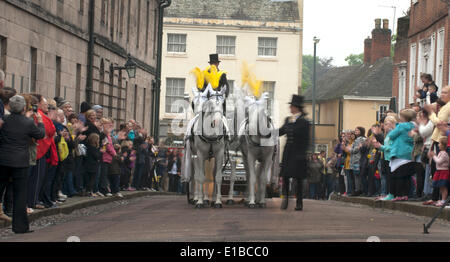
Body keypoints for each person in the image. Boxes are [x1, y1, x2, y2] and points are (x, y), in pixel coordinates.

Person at [0, 95, 45, 233]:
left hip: (3, 160)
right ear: (24, 108)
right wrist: (40, 121)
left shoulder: (4, 120)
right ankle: (20, 227)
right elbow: (40, 135)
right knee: (20, 195)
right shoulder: (28, 123)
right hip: (20, 162)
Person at [279, 95, 310, 211]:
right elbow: (280, 131)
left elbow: (307, 139)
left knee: (298, 179)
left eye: (291, 106)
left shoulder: (304, 122)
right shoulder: (288, 120)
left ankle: (299, 202)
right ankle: (285, 199)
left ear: (296, 107)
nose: (290, 108)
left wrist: (303, 153)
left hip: (298, 152)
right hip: (288, 152)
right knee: (285, 177)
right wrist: (265, 132)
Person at [428, 137, 449, 207]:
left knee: (443, 186)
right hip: (440, 171)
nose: (438, 145)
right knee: (441, 186)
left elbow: (439, 161)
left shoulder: (444, 154)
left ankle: (443, 200)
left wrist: (433, 156)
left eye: (439, 143)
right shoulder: (441, 153)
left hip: (443, 171)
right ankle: (442, 199)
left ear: (443, 145)